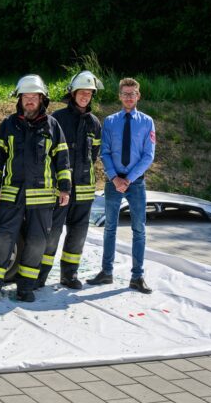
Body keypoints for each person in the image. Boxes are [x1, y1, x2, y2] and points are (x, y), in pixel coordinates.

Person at [0, 75, 71, 304]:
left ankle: (25, 287)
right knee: (2, 238)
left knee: (37, 241)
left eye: (34, 97)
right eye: (26, 97)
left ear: (42, 99)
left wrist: (65, 188)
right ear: (19, 99)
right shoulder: (8, 125)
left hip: (42, 195)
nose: (29, 101)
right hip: (12, 193)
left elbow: (62, 159)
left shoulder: (52, 126)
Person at [88, 77, 156, 294]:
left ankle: (137, 277)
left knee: (139, 230)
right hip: (113, 182)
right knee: (109, 228)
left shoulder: (147, 122)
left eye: (132, 93)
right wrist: (115, 178)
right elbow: (104, 152)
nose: (128, 97)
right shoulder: (110, 122)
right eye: (125, 93)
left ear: (138, 96)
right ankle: (106, 272)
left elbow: (148, 155)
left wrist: (129, 179)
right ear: (119, 96)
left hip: (136, 184)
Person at [38, 71, 103, 290]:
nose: (85, 96)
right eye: (82, 92)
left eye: (89, 93)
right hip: (60, 188)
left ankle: (69, 274)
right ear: (72, 93)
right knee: (52, 232)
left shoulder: (94, 123)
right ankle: (40, 275)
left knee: (78, 234)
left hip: (84, 189)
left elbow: (93, 154)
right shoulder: (56, 119)